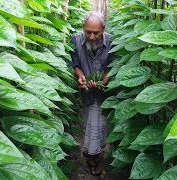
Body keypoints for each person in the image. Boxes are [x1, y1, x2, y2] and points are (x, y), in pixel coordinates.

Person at [70, 11, 113, 176]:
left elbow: (111, 66)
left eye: (96, 32)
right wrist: (81, 77)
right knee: (90, 123)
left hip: (103, 93)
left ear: (103, 28)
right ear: (83, 28)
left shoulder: (111, 42)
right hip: (86, 92)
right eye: (88, 32)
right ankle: (90, 157)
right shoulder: (75, 40)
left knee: (101, 125)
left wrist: (103, 82)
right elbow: (75, 63)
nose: (92, 36)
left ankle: (96, 155)